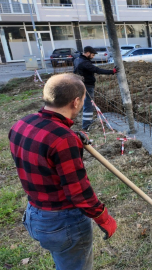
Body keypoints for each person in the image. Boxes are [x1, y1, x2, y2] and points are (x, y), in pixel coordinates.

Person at [9, 73, 117, 270]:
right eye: (83, 100)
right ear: (76, 102)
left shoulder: (22, 124)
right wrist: (103, 217)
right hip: (63, 223)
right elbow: (78, 191)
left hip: (35, 215)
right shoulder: (63, 139)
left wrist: (72, 136)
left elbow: (41, 154)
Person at [74, 46, 117, 132]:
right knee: (88, 105)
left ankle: (87, 122)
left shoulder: (77, 59)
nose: (93, 57)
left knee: (87, 104)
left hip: (81, 84)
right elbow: (97, 70)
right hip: (87, 85)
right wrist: (112, 72)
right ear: (87, 53)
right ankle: (86, 125)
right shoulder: (85, 63)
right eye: (92, 55)